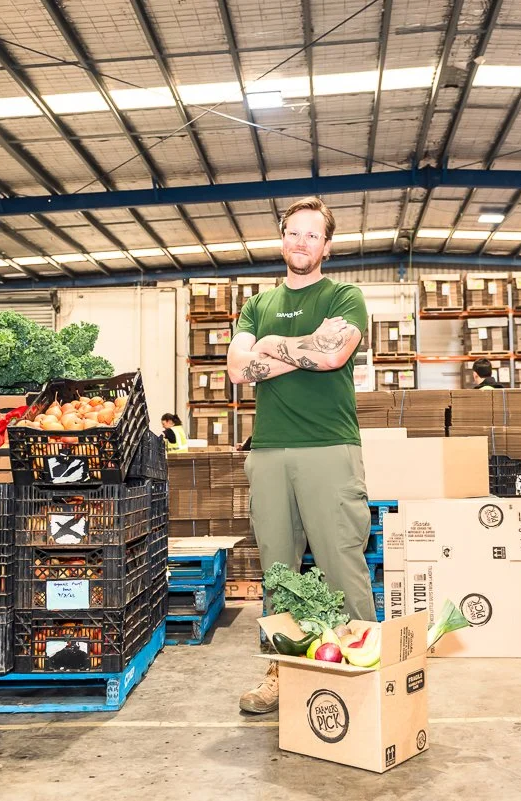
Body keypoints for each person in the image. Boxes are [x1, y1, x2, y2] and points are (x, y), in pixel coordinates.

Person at [226, 196, 374, 715]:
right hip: (268, 451)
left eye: (313, 235)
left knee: (342, 564)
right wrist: (300, 350)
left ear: (326, 246)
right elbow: (237, 371)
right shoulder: (257, 305)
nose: (301, 242)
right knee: (279, 572)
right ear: (281, 239)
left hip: (329, 448)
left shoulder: (345, 296)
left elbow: (334, 354)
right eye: (294, 233)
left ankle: (364, 665)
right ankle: (281, 671)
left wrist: (269, 346)